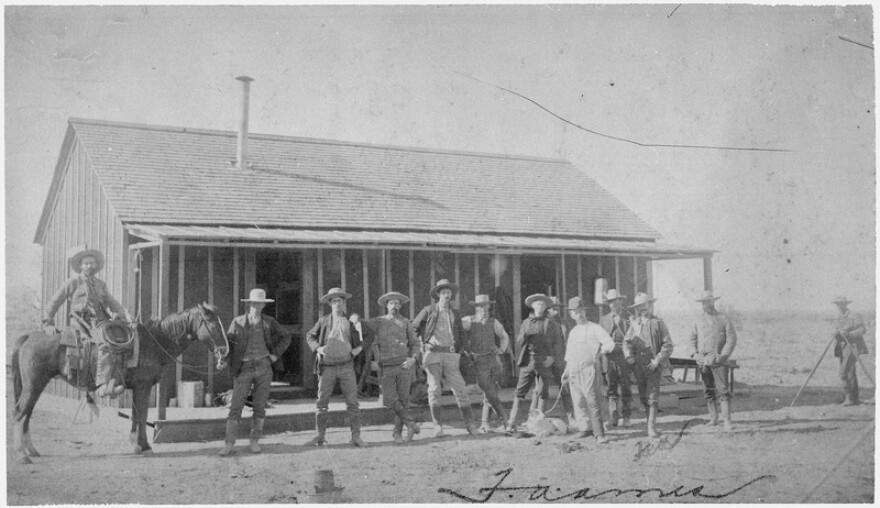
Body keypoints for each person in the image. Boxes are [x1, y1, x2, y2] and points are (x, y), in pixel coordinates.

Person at [42, 246, 132, 398]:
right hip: (81, 322)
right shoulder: (73, 282)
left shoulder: (101, 284)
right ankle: (102, 384)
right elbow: (54, 301)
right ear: (80, 266)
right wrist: (48, 323)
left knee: (119, 339)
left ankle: (114, 380)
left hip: (101, 322)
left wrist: (124, 313)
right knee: (104, 342)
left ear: (96, 265)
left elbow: (112, 303)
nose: (89, 266)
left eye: (92, 263)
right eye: (86, 263)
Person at [218, 288, 291, 456]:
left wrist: (274, 355)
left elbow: (286, 337)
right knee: (236, 406)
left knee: (259, 406)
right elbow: (228, 346)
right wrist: (224, 360)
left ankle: (255, 440)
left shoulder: (269, 322)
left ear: (264, 305)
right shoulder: (237, 322)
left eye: (260, 303)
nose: (257, 306)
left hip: (264, 368)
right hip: (243, 369)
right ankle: (229, 443)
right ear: (249, 303)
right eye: (255, 303)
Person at [306, 287, 371, 447]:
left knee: (352, 402)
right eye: (334, 301)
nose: (337, 304)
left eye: (340, 301)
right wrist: (318, 348)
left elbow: (369, 334)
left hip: (346, 366)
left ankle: (356, 437)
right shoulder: (323, 321)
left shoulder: (352, 322)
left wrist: (359, 349)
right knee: (322, 402)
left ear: (344, 303)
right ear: (330, 303)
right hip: (327, 367)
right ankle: (320, 436)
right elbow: (310, 336)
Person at [412, 279, 478, 437]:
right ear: (438, 295)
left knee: (460, 389)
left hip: (451, 355)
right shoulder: (428, 311)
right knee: (434, 389)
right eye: (443, 293)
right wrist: (421, 345)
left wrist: (462, 350)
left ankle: (470, 425)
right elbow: (413, 328)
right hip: (433, 354)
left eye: (448, 293)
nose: (446, 295)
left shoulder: (455, 313)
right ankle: (438, 427)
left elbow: (462, 334)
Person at [364, 291, 422, 444]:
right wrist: (356, 319)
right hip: (387, 366)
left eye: (397, 303)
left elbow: (416, 343)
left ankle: (397, 434)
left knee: (403, 401)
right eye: (391, 303)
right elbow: (364, 327)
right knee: (389, 400)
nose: (394, 306)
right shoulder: (379, 321)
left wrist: (413, 358)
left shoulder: (406, 322)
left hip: (404, 365)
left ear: (400, 306)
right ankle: (411, 423)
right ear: (386, 306)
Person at [562, 297, 616, 443]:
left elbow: (609, 344)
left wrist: (599, 353)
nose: (578, 314)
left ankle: (599, 434)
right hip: (574, 370)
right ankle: (585, 429)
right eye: (575, 312)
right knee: (578, 401)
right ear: (571, 314)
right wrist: (566, 372)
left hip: (589, 369)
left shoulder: (594, 328)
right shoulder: (573, 331)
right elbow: (569, 355)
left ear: (584, 312)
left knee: (592, 401)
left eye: (580, 311)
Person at [506, 293, 563, 430]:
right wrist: (525, 334)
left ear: (546, 307)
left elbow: (558, 342)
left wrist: (553, 357)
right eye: (537, 304)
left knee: (543, 391)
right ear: (532, 306)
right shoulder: (526, 322)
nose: (540, 306)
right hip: (529, 360)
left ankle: (539, 424)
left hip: (545, 360)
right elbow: (519, 341)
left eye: (543, 304)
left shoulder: (551, 323)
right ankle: (511, 423)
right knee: (520, 391)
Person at [623, 292, 673, 438]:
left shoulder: (658, 323)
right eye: (638, 306)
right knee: (643, 396)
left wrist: (657, 360)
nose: (642, 309)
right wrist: (628, 356)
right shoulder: (634, 324)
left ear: (649, 305)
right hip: (638, 365)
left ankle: (651, 427)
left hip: (653, 364)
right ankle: (647, 423)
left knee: (652, 396)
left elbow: (668, 344)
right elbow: (626, 342)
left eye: (644, 305)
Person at [687, 290, 737, 431]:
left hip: (719, 360)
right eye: (703, 303)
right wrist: (695, 354)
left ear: (713, 302)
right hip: (703, 361)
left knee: (723, 391)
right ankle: (713, 418)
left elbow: (731, 338)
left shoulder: (723, 318)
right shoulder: (697, 320)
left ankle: (726, 420)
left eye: (708, 302)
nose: (705, 305)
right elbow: (691, 340)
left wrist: (723, 355)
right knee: (708, 390)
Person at [461, 294, 511, 432]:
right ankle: (506, 420)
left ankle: (485, 423)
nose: (483, 308)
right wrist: (464, 348)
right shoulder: (468, 321)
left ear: (489, 306)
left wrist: (501, 350)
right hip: (478, 361)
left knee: (491, 393)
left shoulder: (494, 322)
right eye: (480, 306)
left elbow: (504, 336)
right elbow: (455, 329)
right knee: (489, 392)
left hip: (493, 361)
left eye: (485, 305)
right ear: (476, 307)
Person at [530, 296, 574, 420]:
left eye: (557, 309)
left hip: (560, 361)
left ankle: (571, 416)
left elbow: (570, 342)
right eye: (551, 309)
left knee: (565, 388)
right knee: (540, 389)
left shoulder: (565, 324)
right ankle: (536, 417)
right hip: (546, 361)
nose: (555, 311)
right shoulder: (542, 323)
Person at [599, 289, 633, 427]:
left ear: (621, 301)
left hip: (623, 356)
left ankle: (626, 417)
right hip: (609, 357)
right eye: (610, 302)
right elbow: (600, 339)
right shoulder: (603, 319)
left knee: (625, 387)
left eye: (615, 301)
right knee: (611, 387)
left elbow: (633, 338)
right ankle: (613, 417)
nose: (613, 304)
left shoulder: (628, 318)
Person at [831, 296, 868, 406]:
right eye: (837, 304)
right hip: (842, 347)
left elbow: (862, 329)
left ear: (846, 304)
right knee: (850, 373)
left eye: (840, 304)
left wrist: (850, 334)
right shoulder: (838, 317)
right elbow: (837, 330)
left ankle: (850, 399)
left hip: (853, 346)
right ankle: (853, 399)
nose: (838, 306)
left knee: (843, 373)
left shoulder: (854, 315)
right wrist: (836, 334)